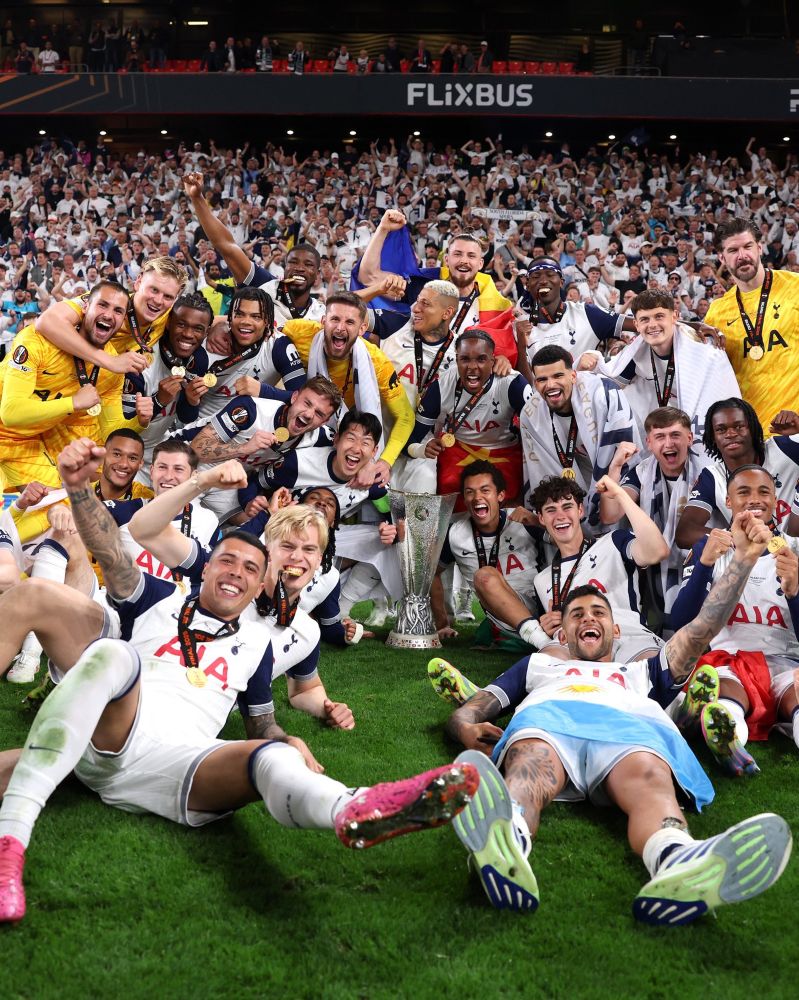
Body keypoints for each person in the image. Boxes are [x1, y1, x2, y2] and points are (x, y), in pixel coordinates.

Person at [0, 439, 480, 923]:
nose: (237, 572)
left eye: (252, 568)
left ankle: (353, 808)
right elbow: (114, 549)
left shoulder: (261, 643)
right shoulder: (160, 598)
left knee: (271, 757)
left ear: (264, 579)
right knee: (113, 653)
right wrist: (79, 488)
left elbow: (264, 725)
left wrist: (289, 735)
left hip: (176, 764)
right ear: (205, 565)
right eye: (227, 561)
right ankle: (11, 847)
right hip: (116, 724)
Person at [440, 509, 793, 922]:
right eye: (577, 615)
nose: (588, 617)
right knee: (527, 766)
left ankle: (675, 860)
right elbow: (473, 708)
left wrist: (745, 559)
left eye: (598, 613)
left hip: (630, 727)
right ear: (563, 634)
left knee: (648, 776)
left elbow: (702, 628)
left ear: (616, 630)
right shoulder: (539, 665)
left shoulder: (643, 670)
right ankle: (506, 843)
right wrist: (464, 727)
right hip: (551, 721)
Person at [671, 466, 799, 775]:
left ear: (775, 500)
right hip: (731, 659)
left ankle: (699, 718)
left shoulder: (794, 551)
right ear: (728, 501)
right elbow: (681, 621)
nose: (754, 500)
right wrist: (703, 565)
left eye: (763, 492)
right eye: (743, 492)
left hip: (786, 662)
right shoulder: (712, 546)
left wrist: (795, 592)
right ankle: (729, 741)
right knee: (725, 690)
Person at [0, 280, 143, 493]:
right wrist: (74, 402)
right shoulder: (36, 340)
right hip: (7, 429)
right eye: (102, 305)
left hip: (31, 440)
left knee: (61, 506)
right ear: (85, 307)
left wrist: (142, 420)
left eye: (118, 311)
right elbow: (10, 413)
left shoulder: (114, 364)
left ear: (123, 319)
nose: (108, 315)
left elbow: (110, 430)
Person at [282, 292, 415, 489]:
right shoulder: (299, 331)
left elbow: (405, 416)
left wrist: (384, 462)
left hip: (348, 439)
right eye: (334, 319)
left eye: (350, 322)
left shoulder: (376, 361)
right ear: (323, 320)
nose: (340, 327)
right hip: (304, 424)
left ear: (362, 329)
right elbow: (263, 335)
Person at [530, 474, 667, 660]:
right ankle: (493, 690)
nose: (560, 516)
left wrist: (620, 493)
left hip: (628, 635)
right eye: (551, 510)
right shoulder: (542, 580)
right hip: (576, 645)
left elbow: (657, 551)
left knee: (653, 667)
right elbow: (552, 628)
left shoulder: (613, 542)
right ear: (541, 518)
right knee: (544, 661)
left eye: (567, 507)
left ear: (580, 510)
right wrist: (547, 629)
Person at [599, 407, 709, 633]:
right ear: (649, 442)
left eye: (675, 435)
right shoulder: (641, 472)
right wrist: (616, 466)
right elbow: (611, 514)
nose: (669, 443)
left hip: (702, 564)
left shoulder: (708, 471)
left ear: (689, 438)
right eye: (660, 437)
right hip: (658, 570)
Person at [586, 290, 740, 445]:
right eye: (645, 319)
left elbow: (725, 397)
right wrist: (586, 363)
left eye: (659, 316)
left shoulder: (705, 350)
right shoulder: (636, 353)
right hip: (665, 434)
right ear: (636, 325)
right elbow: (610, 387)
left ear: (675, 317)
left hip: (703, 431)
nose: (652, 325)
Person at [355, 216, 516, 363]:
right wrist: (383, 228)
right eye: (458, 254)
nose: (464, 261)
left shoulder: (495, 305)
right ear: (446, 259)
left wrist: (501, 358)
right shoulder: (423, 287)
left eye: (471, 256)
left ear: (480, 264)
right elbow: (368, 277)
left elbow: (500, 349)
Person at [182, 376, 341, 519]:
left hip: (230, 480)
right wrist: (244, 448)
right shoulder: (252, 408)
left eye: (319, 414)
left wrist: (366, 468)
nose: (308, 414)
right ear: (294, 397)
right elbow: (195, 449)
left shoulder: (318, 435)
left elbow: (351, 443)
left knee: (253, 521)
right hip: (185, 460)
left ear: (324, 422)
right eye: (306, 403)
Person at [519, 346, 643, 528]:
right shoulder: (531, 414)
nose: (551, 385)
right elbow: (542, 474)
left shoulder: (603, 393)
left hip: (615, 493)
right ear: (535, 384)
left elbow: (629, 462)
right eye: (542, 379)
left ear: (573, 375)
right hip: (573, 501)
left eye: (558, 376)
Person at [183, 173, 327, 330]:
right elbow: (227, 246)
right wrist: (197, 198)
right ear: (285, 268)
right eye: (293, 262)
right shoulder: (266, 285)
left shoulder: (323, 315)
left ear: (318, 274)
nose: (299, 268)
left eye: (308, 264)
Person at [405, 329, 531, 503]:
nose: (472, 367)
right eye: (464, 359)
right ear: (456, 360)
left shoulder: (513, 383)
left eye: (481, 359)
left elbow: (539, 431)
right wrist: (422, 449)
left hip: (504, 448)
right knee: (450, 486)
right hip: (459, 447)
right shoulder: (442, 386)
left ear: (492, 360)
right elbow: (410, 442)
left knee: (504, 492)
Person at [432, 462, 543, 645]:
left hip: (541, 609)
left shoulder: (523, 520)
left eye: (485, 490)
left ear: (500, 495)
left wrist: (539, 523)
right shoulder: (455, 534)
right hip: (502, 619)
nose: (477, 497)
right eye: (470, 492)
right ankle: (540, 640)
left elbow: (572, 546)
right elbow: (431, 574)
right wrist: (442, 623)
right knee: (485, 577)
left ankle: (538, 637)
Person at [705, 219, 799, 431]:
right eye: (733, 250)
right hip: (749, 436)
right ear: (722, 257)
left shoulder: (795, 287)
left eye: (748, 247)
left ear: (759, 247)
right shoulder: (717, 312)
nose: (742, 255)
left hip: (795, 430)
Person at [675, 398, 799, 548]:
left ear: (752, 429)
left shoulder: (785, 448)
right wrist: (738, 538)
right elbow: (685, 533)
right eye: (721, 429)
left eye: (739, 426)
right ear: (712, 438)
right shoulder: (713, 477)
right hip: (754, 563)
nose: (731, 434)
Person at [36, 255, 186, 376]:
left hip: (109, 386)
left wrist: (211, 330)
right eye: (153, 290)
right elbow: (47, 321)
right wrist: (109, 361)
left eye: (168, 297)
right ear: (138, 282)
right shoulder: (107, 302)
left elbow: (205, 320)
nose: (159, 301)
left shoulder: (170, 312)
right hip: (59, 372)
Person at [121, 292, 215, 474]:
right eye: (181, 324)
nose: (188, 334)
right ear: (168, 322)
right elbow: (122, 428)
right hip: (123, 449)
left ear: (207, 332)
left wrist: (191, 401)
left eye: (198, 328)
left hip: (157, 448)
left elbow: (185, 416)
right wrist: (159, 401)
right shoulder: (140, 361)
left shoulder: (199, 359)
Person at [195, 286, 306, 422]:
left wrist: (262, 391)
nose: (246, 322)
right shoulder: (211, 341)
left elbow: (303, 399)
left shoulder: (279, 346)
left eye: (256, 317)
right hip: (197, 424)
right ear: (230, 316)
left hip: (246, 432)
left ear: (267, 321)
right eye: (239, 314)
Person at [520, 257, 632, 363]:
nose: (543, 281)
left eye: (550, 275)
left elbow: (639, 324)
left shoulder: (588, 313)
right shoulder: (519, 327)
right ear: (528, 285)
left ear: (561, 282)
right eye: (536, 276)